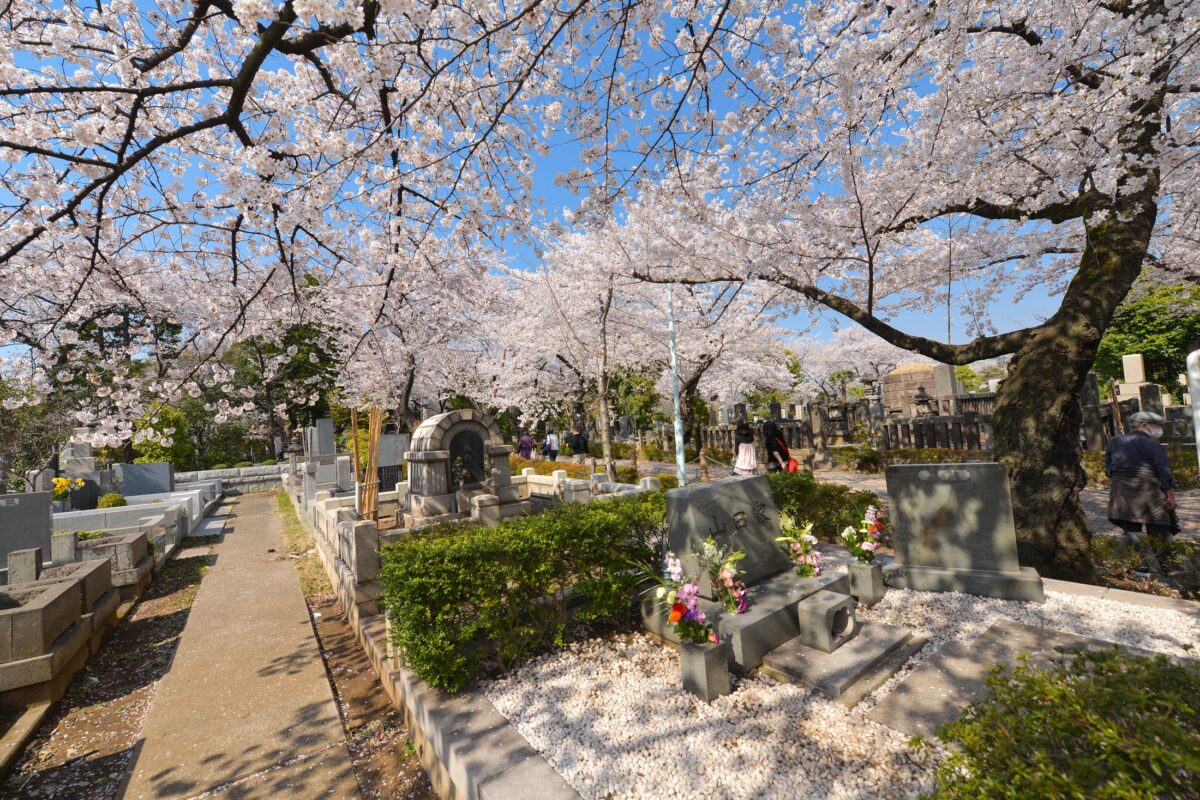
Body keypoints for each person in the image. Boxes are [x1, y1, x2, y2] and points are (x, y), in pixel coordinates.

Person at [1105, 410, 1178, 573]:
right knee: (1159, 529)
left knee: (1131, 530)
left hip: (1121, 493)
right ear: (1144, 425)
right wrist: (1171, 497)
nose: (1159, 429)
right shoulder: (1154, 445)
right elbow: (1164, 473)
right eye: (1157, 426)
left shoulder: (1114, 442)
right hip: (1150, 492)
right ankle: (1170, 567)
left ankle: (1140, 569)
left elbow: (1109, 470)